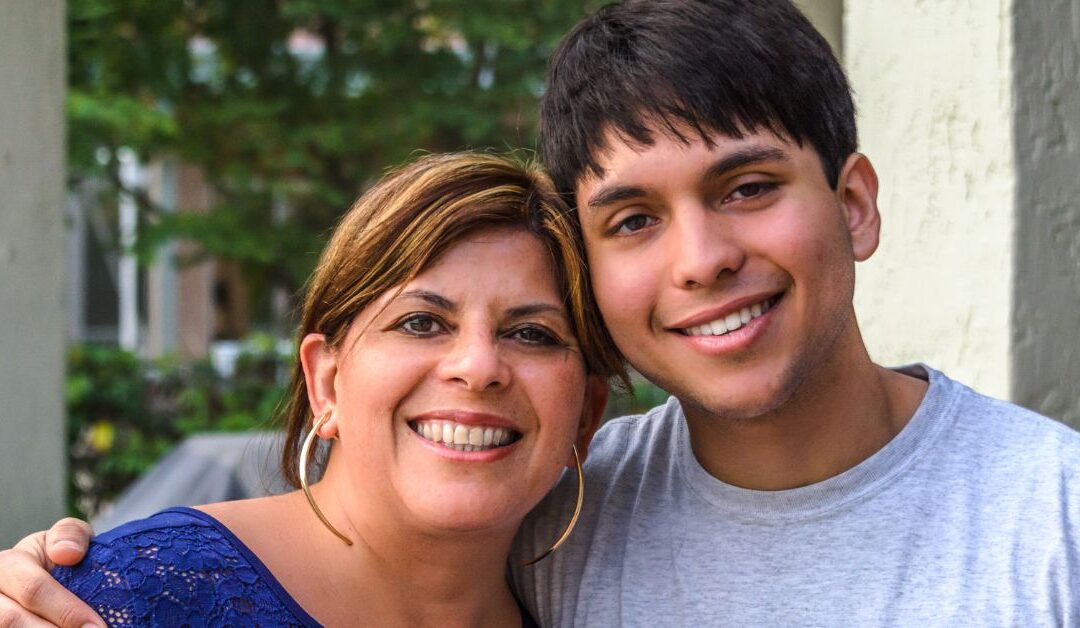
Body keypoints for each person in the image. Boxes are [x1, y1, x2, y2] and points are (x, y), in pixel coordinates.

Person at [3, 0, 1079, 625]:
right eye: (631, 220)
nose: (702, 260)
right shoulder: (554, 518)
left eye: (748, 188)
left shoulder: (1052, 520)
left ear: (853, 205)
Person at [0, 152, 622, 627]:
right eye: (421, 322)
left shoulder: (598, 609)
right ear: (326, 380)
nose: (478, 366)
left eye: (532, 333)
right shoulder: (127, 598)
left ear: (586, 415)